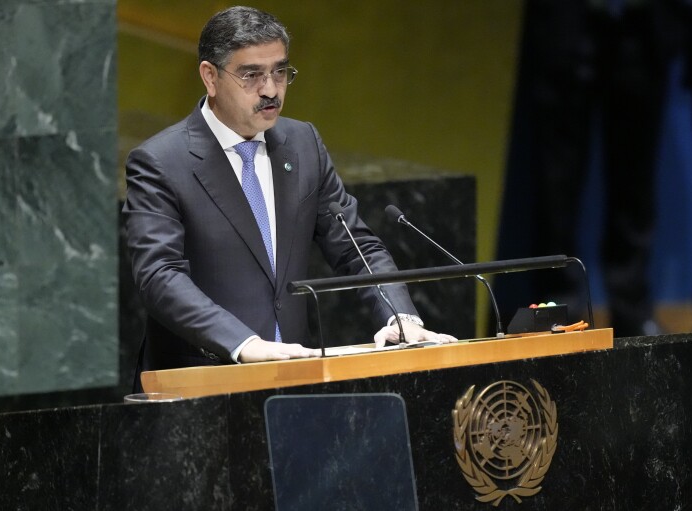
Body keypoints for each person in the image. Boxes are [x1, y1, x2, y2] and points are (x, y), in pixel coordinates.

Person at [123, 6, 457, 391]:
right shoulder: (162, 162)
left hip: (295, 380)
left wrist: (401, 316)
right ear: (210, 77)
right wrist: (243, 344)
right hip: (202, 382)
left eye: (280, 72)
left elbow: (354, 247)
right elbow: (159, 276)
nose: (270, 90)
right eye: (252, 75)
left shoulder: (303, 145)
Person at [518, 0, 685, 336]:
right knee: (556, 184)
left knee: (635, 184)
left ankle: (632, 310)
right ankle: (556, 308)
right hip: (569, 21)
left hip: (641, 23)